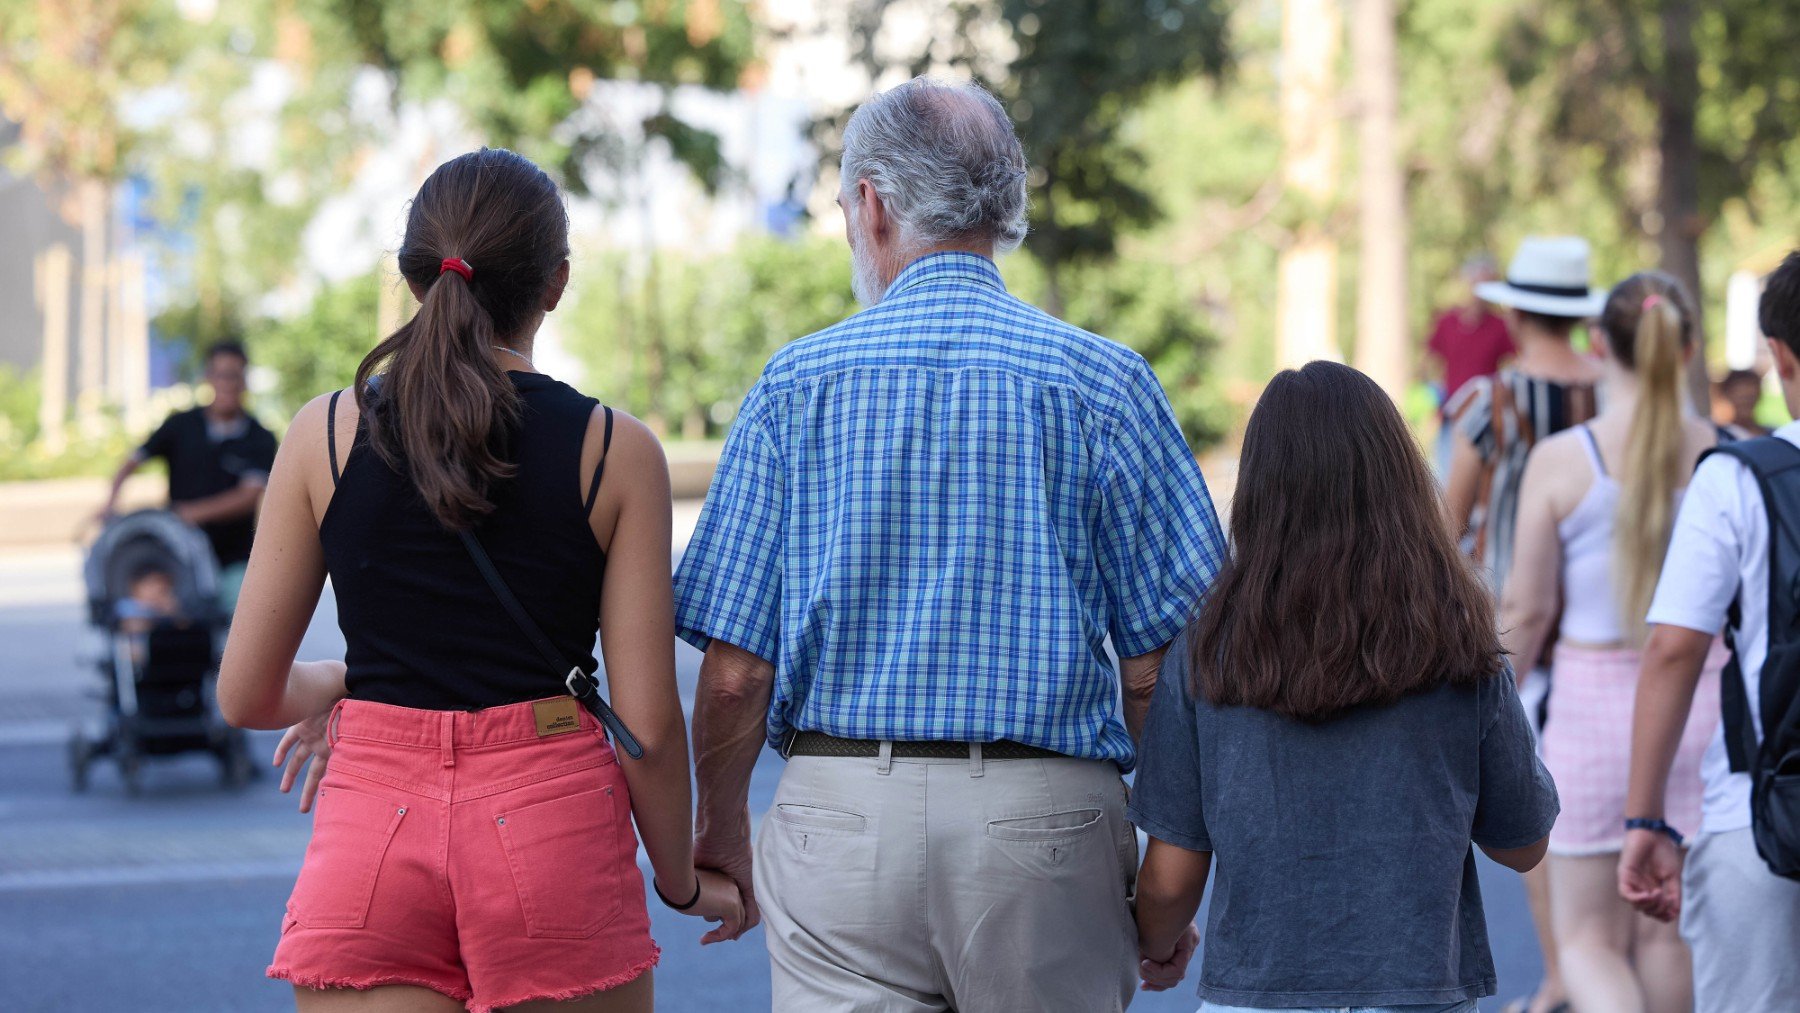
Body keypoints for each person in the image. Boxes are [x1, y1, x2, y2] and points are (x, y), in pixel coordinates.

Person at [673, 78, 1225, 1011]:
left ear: (874, 206)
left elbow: (735, 676)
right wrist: (1164, 875)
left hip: (839, 818)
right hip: (1046, 821)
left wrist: (723, 828)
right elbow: (1160, 669)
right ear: (1007, 204)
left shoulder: (793, 385)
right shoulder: (1107, 383)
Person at [217, 148, 742, 1013]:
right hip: (552, 823)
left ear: (415, 274)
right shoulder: (615, 450)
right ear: (555, 283)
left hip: (372, 823)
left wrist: (358, 682)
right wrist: (682, 881)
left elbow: (247, 693)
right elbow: (645, 721)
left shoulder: (327, 432)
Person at [1130, 360, 1559, 1011]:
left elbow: (1170, 875)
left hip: (1260, 994)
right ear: (1400, 481)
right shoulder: (1457, 640)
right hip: (1419, 993)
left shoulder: (1211, 646)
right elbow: (1523, 843)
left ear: (1260, 490)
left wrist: (1159, 946)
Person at [1499, 272, 1723, 1013]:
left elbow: (1527, 611)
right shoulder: (1729, 454)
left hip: (1592, 717)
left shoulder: (1565, 460)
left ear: (1599, 346)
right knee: (1669, 936)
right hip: (1702, 707)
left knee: (1589, 942)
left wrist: (1486, 707)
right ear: (1688, 347)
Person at [1621, 250, 1800, 1012]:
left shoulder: (1741, 475)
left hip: (1764, 815)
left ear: (1780, 353)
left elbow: (1673, 649)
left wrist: (1646, 817)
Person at [1442, 235, 1605, 1013]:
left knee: (1539, 812)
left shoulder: (1489, 403)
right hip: (1613, 623)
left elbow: (1447, 522)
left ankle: (1565, 974)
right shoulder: (1617, 395)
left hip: (1517, 625)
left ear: (1515, 308)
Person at [101, 340, 278, 610]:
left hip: (230, 557)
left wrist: (190, 513)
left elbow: (249, 495)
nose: (227, 383)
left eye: (235, 375)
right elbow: (133, 460)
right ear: (208, 378)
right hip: (177, 556)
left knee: (245, 608)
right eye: (220, 375)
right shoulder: (180, 426)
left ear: (244, 380)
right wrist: (110, 504)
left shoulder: (260, 438)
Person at [1428, 253, 1515, 474]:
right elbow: (1433, 363)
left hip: (1485, 415)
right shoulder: (1447, 322)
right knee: (1446, 474)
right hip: (1451, 414)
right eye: (1479, 282)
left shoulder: (1500, 326)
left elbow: (1515, 364)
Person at [1716, 368, 1770, 438]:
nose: (1746, 403)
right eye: (1742, 397)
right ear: (1727, 394)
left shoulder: (1770, 432)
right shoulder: (1718, 435)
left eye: (1751, 397)